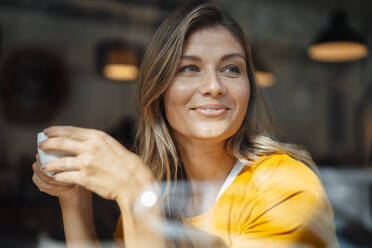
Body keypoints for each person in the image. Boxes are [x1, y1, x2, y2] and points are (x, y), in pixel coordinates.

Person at [32, 0, 339, 247]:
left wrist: (137, 192)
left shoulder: (284, 186)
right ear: (159, 89)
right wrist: (74, 202)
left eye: (231, 69)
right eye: (190, 68)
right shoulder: (159, 192)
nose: (214, 86)